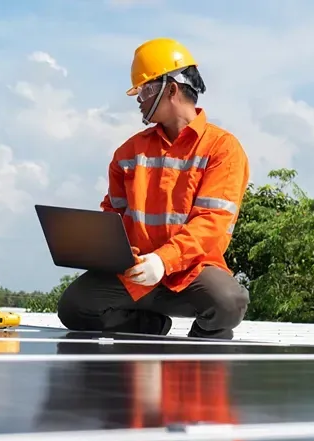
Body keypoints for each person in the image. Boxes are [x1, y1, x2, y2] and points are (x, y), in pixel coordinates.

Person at [57, 37, 251, 340]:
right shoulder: (128, 152)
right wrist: (105, 251)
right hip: (136, 270)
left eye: (145, 90)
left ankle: (202, 343)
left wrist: (164, 260)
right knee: (74, 307)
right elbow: (113, 215)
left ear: (172, 89)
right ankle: (149, 327)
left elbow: (211, 222)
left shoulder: (222, 149)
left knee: (228, 302)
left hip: (192, 271)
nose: (139, 100)